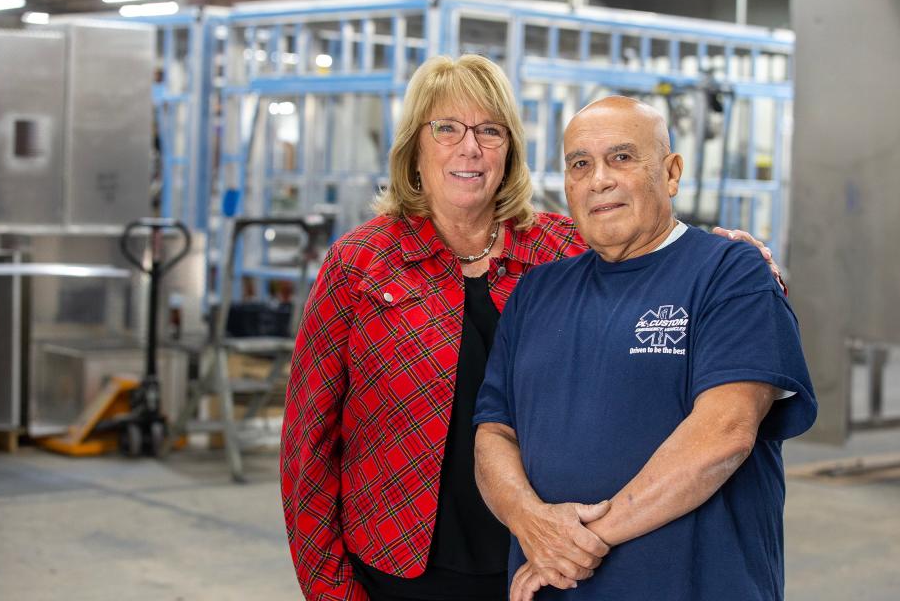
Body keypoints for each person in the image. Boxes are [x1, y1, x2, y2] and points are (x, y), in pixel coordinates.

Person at [281, 55, 782, 601]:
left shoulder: (558, 251)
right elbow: (307, 444)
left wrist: (732, 255)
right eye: (446, 128)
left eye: (489, 131)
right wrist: (330, 588)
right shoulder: (359, 264)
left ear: (510, 152)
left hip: (547, 568)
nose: (469, 147)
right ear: (414, 151)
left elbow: (644, 240)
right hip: (401, 567)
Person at [473, 96, 817, 601]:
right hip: (556, 583)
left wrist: (577, 541)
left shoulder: (731, 273)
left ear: (672, 173)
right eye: (580, 164)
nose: (599, 180)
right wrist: (531, 522)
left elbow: (724, 434)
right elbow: (494, 434)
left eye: (622, 158)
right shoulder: (536, 292)